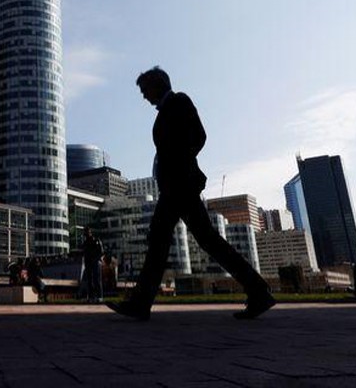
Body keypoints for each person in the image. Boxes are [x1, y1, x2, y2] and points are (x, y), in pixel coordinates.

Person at [108, 67, 275, 321]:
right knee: (193, 240)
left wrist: (179, 164)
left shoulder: (179, 101)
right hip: (175, 187)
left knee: (167, 239)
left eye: (145, 90)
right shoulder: (165, 111)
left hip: (180, 185)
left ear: (158, 85)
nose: (144, 96)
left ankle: (141, 304)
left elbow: (199, 136)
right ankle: (258, 290)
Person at [82, 227, 104, 303]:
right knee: (89, 280)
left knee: (96, 280)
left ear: (90, 232)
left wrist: (96, 259)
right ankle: (91, 296)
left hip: (95, 263)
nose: (86, 234)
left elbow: (101, 252)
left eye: (87, 232)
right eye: (85, 233)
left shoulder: (96, 241)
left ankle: (99, 296)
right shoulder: (85, 243)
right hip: (88, 263)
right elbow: (85, 253)